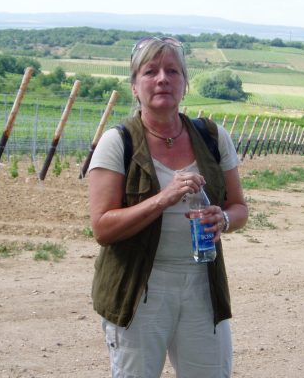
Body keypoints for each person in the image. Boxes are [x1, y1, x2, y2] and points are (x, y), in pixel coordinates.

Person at [87, 36, 248, 378]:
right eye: (150, 71)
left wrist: (224, 219)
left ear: (185, 84)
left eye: (173, 71)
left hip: (202, 283)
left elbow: (239, 208)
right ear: (134, 86)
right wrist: (163, 198)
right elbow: (102, 227)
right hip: (139, 287)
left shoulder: (213, 138)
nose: (162, 79)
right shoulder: (118, 142)